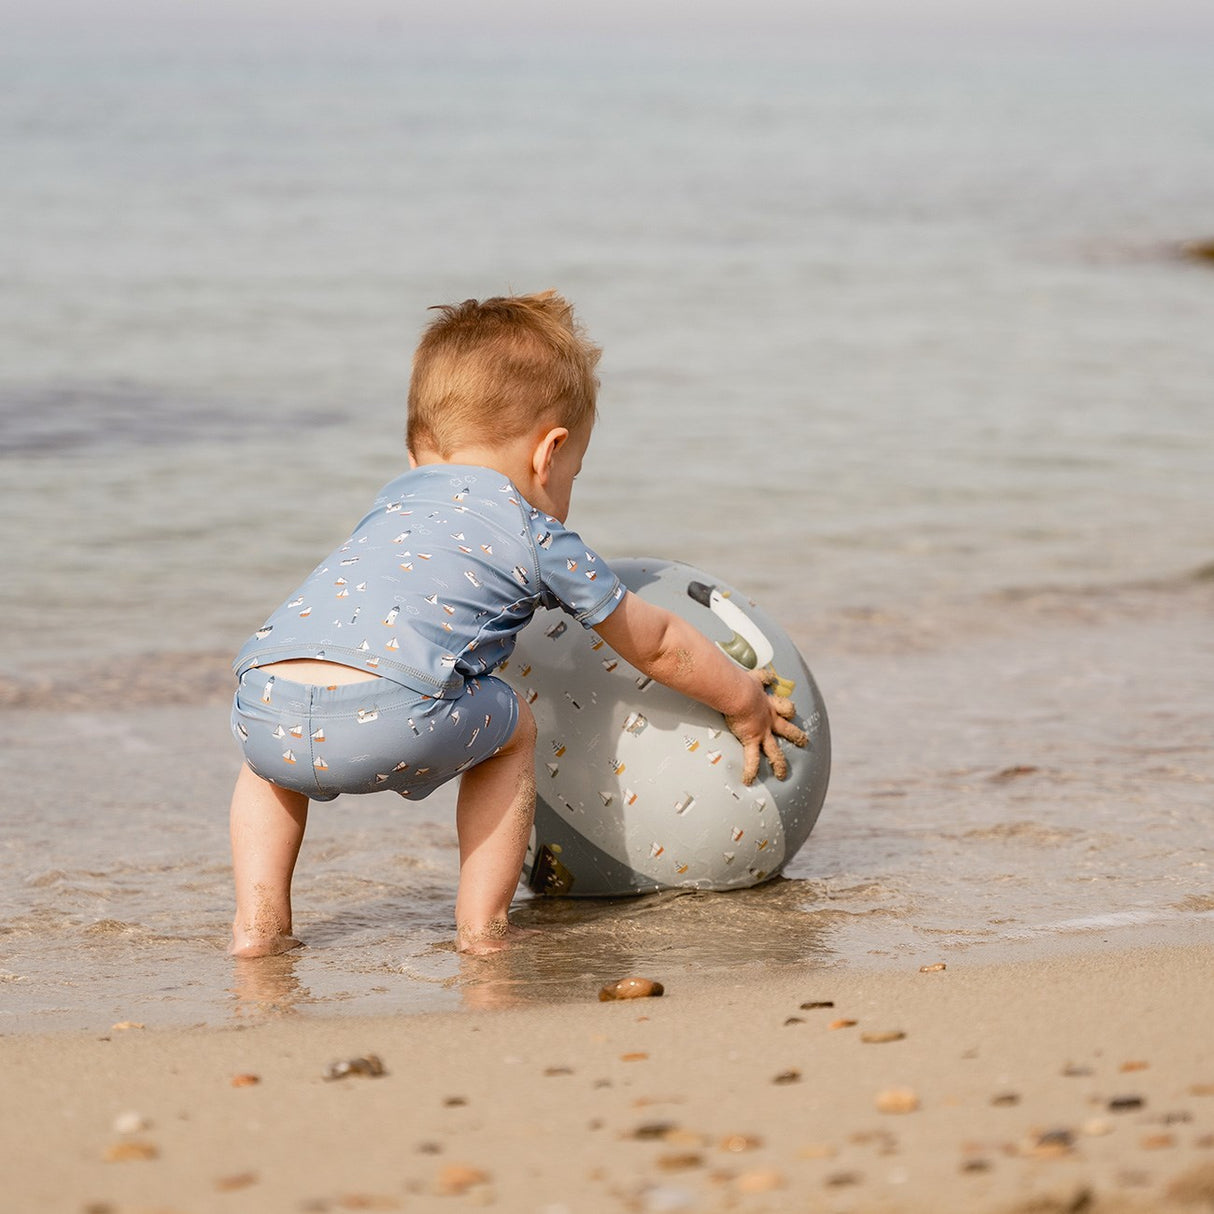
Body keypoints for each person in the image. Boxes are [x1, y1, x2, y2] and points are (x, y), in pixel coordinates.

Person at [227, 290, 807, 957]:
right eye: (574, 474)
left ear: (418, 452)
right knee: (512, 726)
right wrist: (742, 699)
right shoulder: (534, 534)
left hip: (261, 701)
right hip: (391, 712)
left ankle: (258, 928)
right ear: (550, 454)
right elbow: (659, 643)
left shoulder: (388, 504)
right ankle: (481, 927)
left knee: (268, 768)